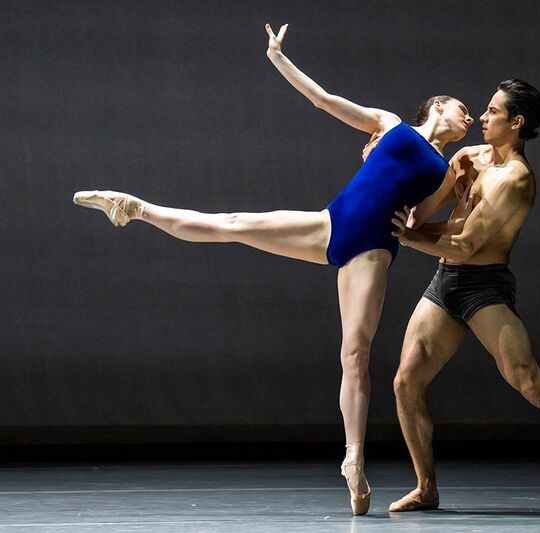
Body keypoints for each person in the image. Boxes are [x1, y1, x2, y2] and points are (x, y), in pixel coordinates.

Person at [73, 22, 474, 516]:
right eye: (462, 108)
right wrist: (278, 58)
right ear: (436, 106)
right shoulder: (390, 125)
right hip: (331, 224)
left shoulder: (443, 166)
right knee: (236, 222)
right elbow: (324, 100)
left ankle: (353, 458)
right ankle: (136, 208)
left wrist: (440, 209)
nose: (469, 117)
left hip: (370, 250)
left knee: (355, 354)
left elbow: (416, 220)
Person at [388, 79, 540, 517]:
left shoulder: (516, 179)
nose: (482, 117)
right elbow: (424, 216)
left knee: (528, 382)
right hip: (446, 281)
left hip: (484, 285)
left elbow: (466, 245)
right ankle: (426, 489)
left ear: (515, 122)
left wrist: (408, 239)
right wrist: (389, 175)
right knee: (406, 382)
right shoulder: (469, 157)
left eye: (493, 112)